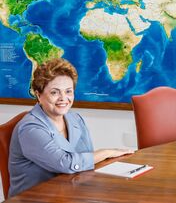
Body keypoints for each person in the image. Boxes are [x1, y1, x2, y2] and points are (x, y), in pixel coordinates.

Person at [8, 58, 133, 197]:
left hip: (69, 194)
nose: (63, 98)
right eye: (54, 92)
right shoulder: (29, 129)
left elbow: (86, 160)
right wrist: (107, 152)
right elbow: (66, 163)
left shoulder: (75, 119)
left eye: (68, 91)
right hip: (35, 199)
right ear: (39, 95)